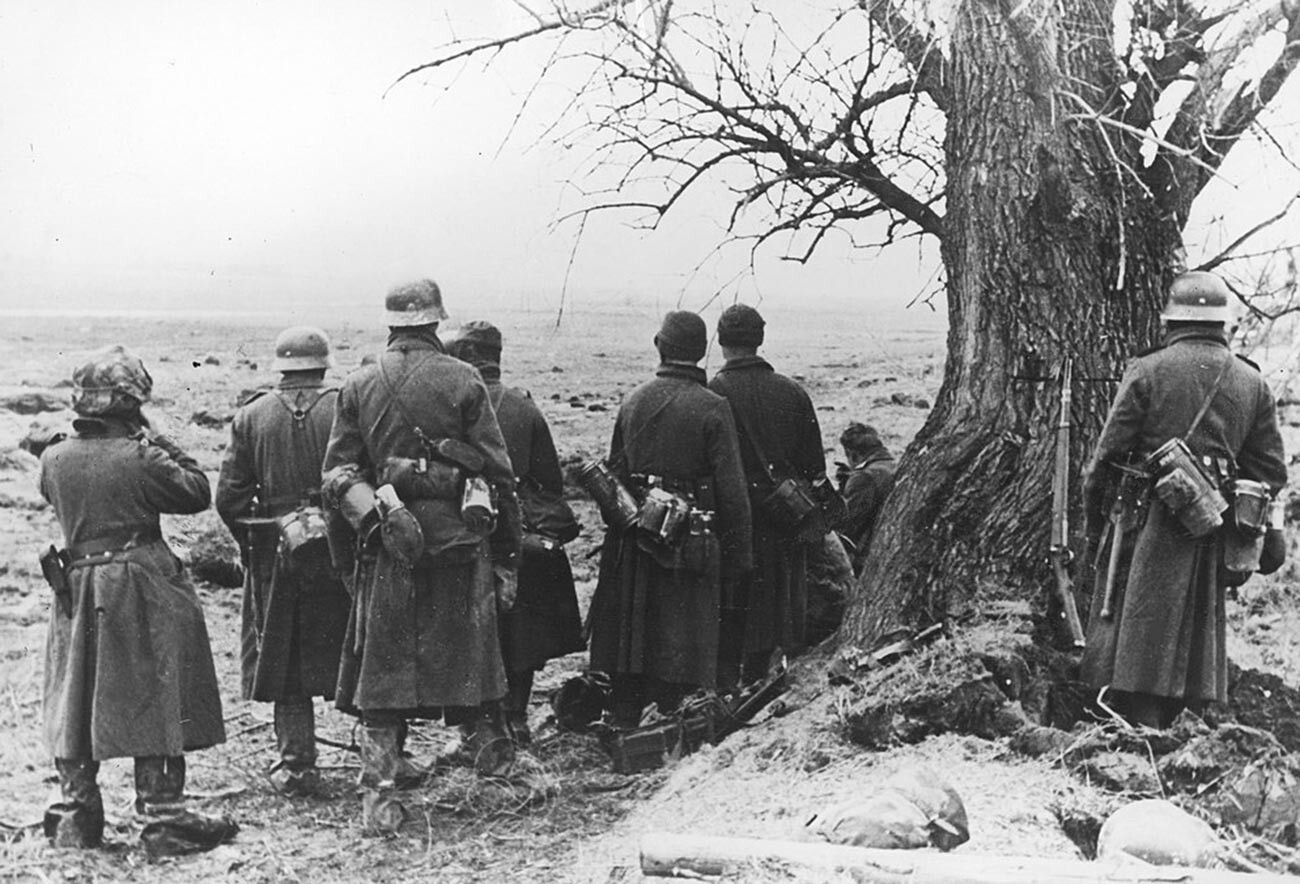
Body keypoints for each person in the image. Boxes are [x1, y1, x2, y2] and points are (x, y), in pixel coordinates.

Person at [320, 279, 521, 832]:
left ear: (390, 322)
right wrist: (505, 557)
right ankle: (501, 782)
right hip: (460, 546)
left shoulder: (357, 384)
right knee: (474, 665)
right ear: (435, 322)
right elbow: (499, 477)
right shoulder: (464, 378)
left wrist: (362, 539)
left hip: (388, 548)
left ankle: (378, 802)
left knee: (382, 679)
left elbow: (336, 479)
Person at [38, 345, 228, 847]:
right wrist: (159, 433)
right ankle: (164, 818)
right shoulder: (142, 458)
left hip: (76, 587)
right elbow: (195, 492)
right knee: (155, 692)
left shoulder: (53, 457)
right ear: (131, 403)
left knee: (75, 695)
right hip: (139, 585)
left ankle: (76, 816)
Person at [1080, 271, 1287, 729]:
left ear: (1171, 322)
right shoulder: (1251, 383)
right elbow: (1270, 472)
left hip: (1145, 519)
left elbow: (1105, 458)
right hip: (1211, 526)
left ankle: (1137, 722)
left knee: (1138, 620)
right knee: (1197, 629)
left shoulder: (1147, 371)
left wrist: (1093, 519)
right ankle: (1188, 722)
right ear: (1222, 325)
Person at [588, 310, 752, 725]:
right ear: (701, 352)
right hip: (693, 544)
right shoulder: (714, 407)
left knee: (637, 629)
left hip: (636, 538)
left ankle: (625, 714)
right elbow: (733, 493)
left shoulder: (634, 400)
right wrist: (738, 559)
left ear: (660, 346)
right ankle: (676, 715)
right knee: (684, 633)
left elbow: (615, 476)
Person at [215, 326, 351, 795]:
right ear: (323, 364)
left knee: (285, 654)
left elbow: (229, 499)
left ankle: (296, 764)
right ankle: (384, 757)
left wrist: (255, 548)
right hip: (341, 551)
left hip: (277, 554)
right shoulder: (345, 405)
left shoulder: (252, 416)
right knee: (358, 646)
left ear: (282, 367)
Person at [446, 321, 585, 745]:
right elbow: (552, 484)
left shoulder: (453, 403)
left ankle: (473, 725)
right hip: (517, 531)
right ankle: (516, 717)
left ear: (467, 355)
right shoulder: (525, 409)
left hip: (462, 531)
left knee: (467, 630)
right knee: (521, 625)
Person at [708, 304, 828, 686]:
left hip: (733, 520)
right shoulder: (793, 392)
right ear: (760, 339)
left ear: (721, 341)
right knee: (777, 603)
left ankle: (734, 684)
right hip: (784, 518)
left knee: (734, 603)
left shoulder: (712, 395)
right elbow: (814, 468)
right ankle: (765, 675)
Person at [836, 422, 897, 575]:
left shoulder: (863, 478)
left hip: (867, 559)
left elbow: (848, 525)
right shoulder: (894, 465)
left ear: (852, 453)